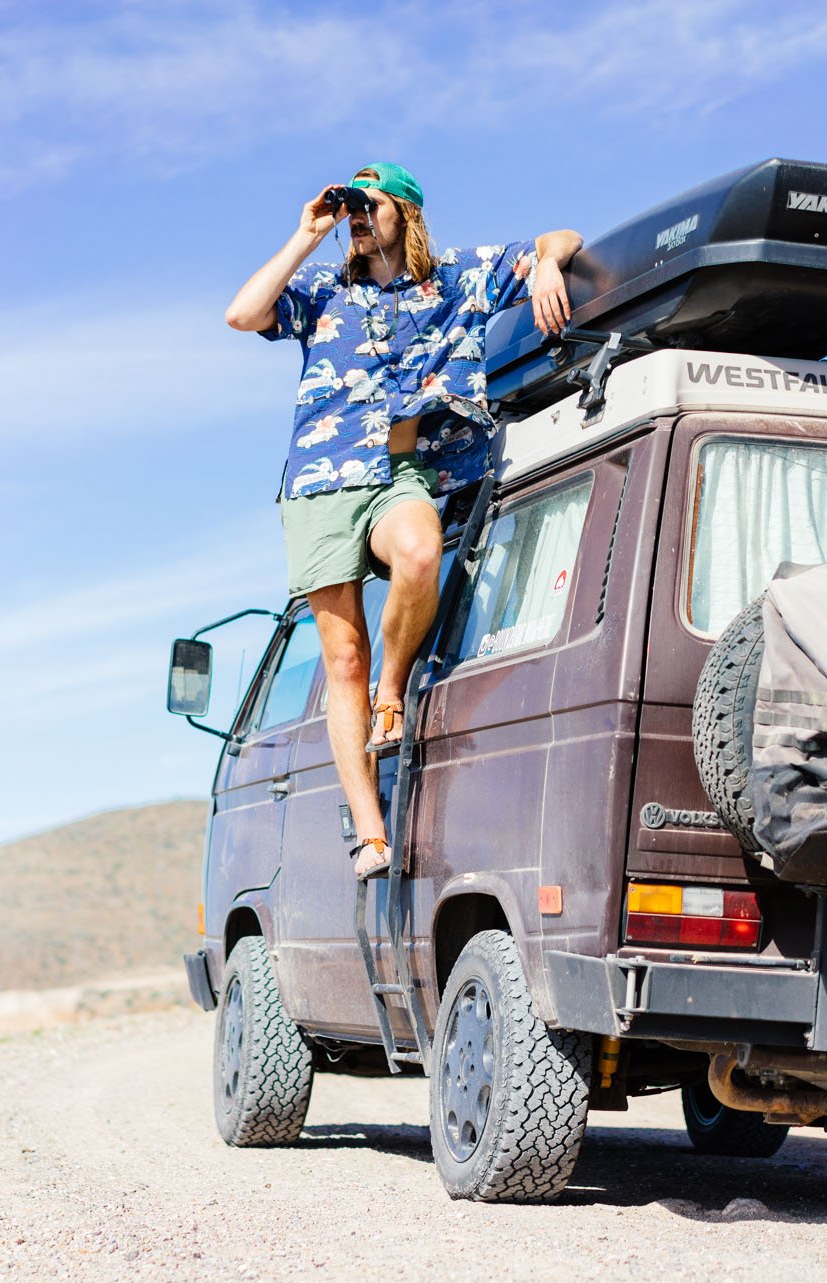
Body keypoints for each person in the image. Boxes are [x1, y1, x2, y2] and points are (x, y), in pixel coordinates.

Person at [225, 162, 581, 880]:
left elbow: (565, 234)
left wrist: (546, 264)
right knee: (340, 658)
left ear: (407, 214)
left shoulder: (456, 279)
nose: (356, 217)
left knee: (420, 555)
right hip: (322, 486)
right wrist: (306, 232)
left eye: (369, 205)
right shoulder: (325, 291)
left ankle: (396, 689)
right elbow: (243, 312)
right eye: (349, 208)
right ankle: (370, 830)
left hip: (402, 473)